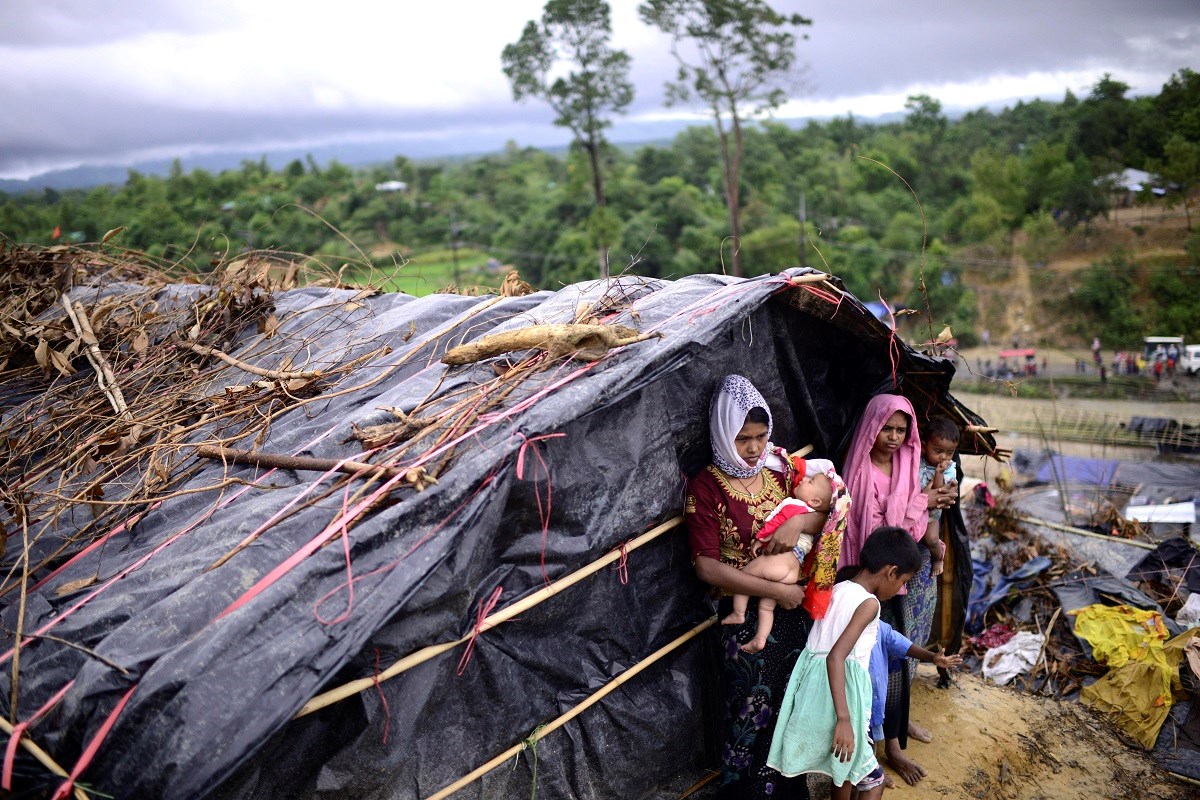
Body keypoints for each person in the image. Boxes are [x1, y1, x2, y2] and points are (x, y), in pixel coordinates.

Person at [686, 374, 830, 799]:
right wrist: (775, 591)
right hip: (744, 618)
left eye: (760, 436)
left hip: (794, 612)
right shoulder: (706, 487)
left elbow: (826, 514)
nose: (752, 448)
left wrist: (802, 522)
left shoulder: (781, 471)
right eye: (743, 438)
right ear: (723, 433)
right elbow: (706, 567)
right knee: (750, 713)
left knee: (793, 706)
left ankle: (788, 790)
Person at [839, 393, 956, 786]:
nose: (892, 437)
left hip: (898, 580)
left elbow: (916, 527)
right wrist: (921, 502)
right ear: (871, 428)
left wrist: (922, 504)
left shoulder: (909, 464)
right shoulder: (859, 472)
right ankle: (865, 759)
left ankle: (893, 748)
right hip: (871, 575)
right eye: (886, 428)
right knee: (863, 668)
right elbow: (875, 536)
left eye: (900, 430)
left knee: (894, 664)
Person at [766, 526, 923, 800]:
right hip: (843, 699)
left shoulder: (837, 588)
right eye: (902, 582)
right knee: (874, 781)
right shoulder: (869, 604)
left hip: (816, 694)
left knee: (844, 769)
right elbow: (836, 657)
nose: (900, 589)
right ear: (890, 571)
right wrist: (844, 719)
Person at [722, 466, 846, 653]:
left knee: (744, 577)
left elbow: (776, 522)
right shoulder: (817, 520)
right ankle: (761, 639)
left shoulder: (794, 506)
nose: (803, 479)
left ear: (814, 501)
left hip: (778, 560)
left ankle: (738, 613)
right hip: (792, 571)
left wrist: (760, 539)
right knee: (766, 606)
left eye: (810, 481)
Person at [918, 417, 959, 578]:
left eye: (949, 453)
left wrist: (939, 474)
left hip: (932, 512)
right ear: (924, 446)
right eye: (938, 451)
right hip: (914, 508)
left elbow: (938, 492)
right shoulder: (916, 461)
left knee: (931, 539)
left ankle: (938, 558)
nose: (944, 457)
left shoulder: (949, 469)